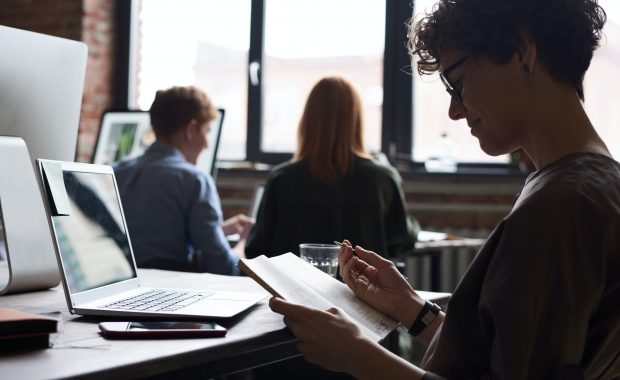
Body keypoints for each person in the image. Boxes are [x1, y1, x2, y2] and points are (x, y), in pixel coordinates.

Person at [269, 0, 620, 378]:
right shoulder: (595, 184)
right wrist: (411, 309)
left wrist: (359, 356)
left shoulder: (558, 209)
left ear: (523, 52)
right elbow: (502, 358)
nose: (454, 110)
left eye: (458, 83)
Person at [245, 76, 419, 259]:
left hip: (293, 287)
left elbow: (256, 249)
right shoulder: (383, 178)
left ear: (308, 121)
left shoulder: (282, 178)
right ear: (356, 121)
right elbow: (402, 241)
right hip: (361, 287)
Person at [114, 86, 253, 275]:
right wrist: (241, 247)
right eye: (206, 131)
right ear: (191, 129)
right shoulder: (195, 181)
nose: (206, 144)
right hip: (172, 290)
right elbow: (221, 267)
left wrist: (218, 231)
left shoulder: (117, 172)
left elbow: (154, 237)